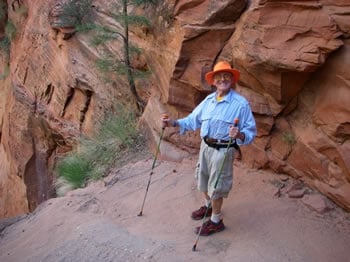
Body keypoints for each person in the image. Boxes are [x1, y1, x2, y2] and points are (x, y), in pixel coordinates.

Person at [161, 61, 256, 236]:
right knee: (202, 179)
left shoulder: (240, 104)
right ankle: (209, 207)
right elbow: (192, 120)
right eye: (218, 76)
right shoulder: (209, 100)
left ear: (232, 79)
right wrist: (172, 123)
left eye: (227, 76)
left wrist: (239, 135)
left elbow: (250, 132)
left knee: (217, 185)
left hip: (223, 149)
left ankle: (216, 221)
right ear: (213, 81)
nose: (222, 79)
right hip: (205, 146)